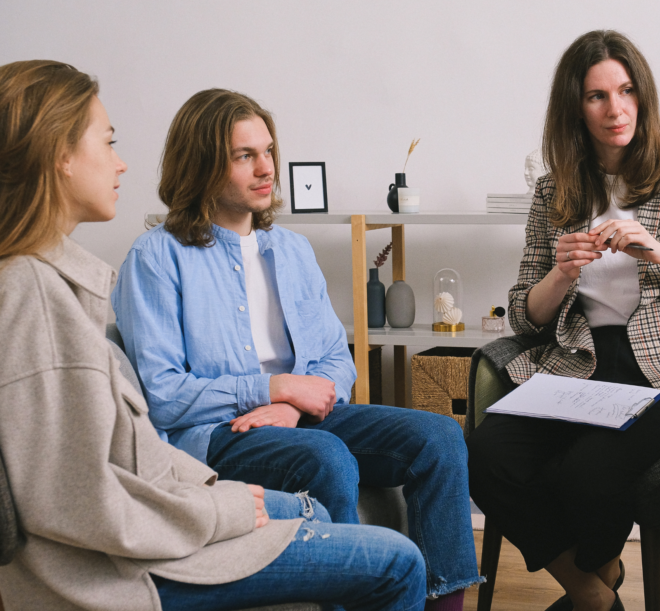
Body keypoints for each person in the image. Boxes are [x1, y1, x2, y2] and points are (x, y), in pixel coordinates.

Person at [0, 59, 424, 611]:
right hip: (130, 574)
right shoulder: (36, 296)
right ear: (59, 156)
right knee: (392, 557)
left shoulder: (57, 285)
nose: (121, 162)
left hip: (170, 507)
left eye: (266, 150)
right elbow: (79, 501)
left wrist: (221, 483)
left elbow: (127, 455)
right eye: (107, 143)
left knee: (410, 451)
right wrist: (221, 505)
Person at [110, 88, 481, 609]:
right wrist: (275, 387)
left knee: (439, 436)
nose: (266, 169)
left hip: (300, 415)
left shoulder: (291, 249)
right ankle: (355, 594)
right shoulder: (156, 258)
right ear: (202, 165)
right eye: (245, 156)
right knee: (326, 456)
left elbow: (335, 359)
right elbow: (163, 396)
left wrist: (287, 404)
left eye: (268, 153)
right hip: (217, 435)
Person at [467, 30, 660, 611]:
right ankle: (594, 591)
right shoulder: (554, 191)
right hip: (576, 358)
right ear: (575, 106)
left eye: (625, 91)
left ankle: (594, 583)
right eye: (596, 96)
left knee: (588, 473)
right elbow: (526, 313)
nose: (614, 109)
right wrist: (560, 274)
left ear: (642, 96)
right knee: (490, 452)